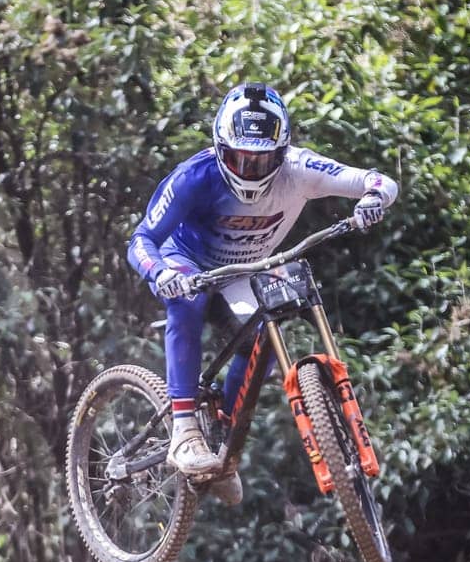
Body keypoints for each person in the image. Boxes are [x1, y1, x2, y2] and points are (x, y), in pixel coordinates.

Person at [127, 82, 398, 500]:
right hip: (186, 261)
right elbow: (141, 238)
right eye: (240, 158)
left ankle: (223, 451)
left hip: (244, 270)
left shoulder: (301, 169)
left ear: (282, 151)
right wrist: (160, 272)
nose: (250, 168)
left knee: (266, 337)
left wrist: (373, 201)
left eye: (262, 159)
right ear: (220, 148)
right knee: (188, 299)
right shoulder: (192, 178)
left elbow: (377, 181)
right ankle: (183, 429)